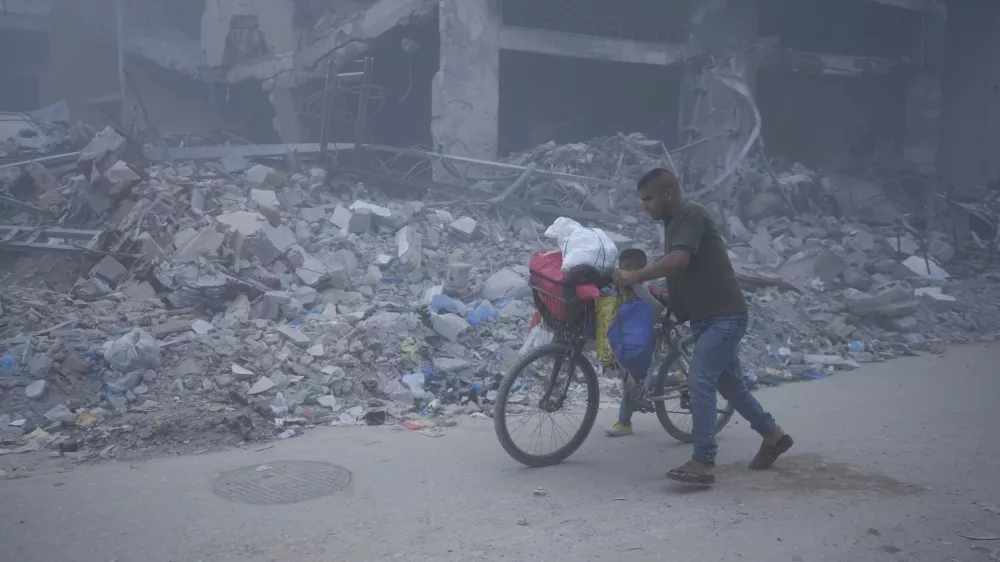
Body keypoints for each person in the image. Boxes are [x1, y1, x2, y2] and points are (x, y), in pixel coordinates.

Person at [612, 168, 793, 485]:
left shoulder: (691, 213)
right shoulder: (674, 222)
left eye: (648, 198)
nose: (645, 206)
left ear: (668, 193)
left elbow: (679, 261)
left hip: (724, 316)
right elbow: (687, 269)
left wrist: (636, 275)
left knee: (699, 380)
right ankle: (774, 436)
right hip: (708, 317)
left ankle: (704, 460)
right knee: (731, 387)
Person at [605, 248, 663, 438]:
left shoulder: (644, 287)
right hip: (626, 341)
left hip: (645, 343)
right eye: (624, 268)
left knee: (633, 382)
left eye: (632, 269)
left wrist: (637, 285)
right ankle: (677, 378)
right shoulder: (619, 288)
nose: (627, 272)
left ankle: (624, 422)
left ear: (642, 270)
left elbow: (656, 307)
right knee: (631, 381)